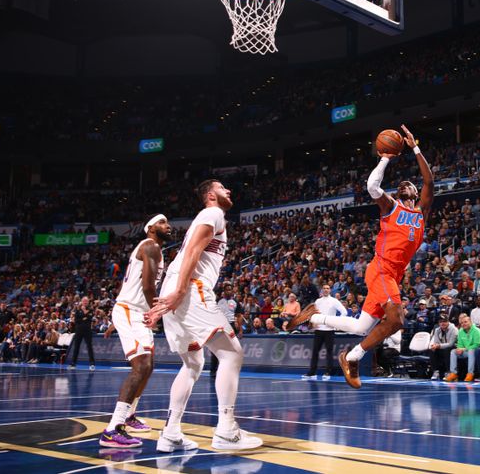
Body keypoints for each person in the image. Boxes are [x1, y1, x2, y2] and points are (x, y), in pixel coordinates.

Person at [287, 125, 433, 389]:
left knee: (360, 327)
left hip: (392, 276)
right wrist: (386, 157)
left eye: (409, 184)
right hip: (381, 270)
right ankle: (353, 356)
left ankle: (314, 318)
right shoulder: (391, 206)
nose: (405, 185)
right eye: (402, 185)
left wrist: (415, 148)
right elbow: (372, 186)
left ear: (414, 192)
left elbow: (429, 181)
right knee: (397, 319)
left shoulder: (421, 212)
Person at [144, 179, 262, 451]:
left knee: (193, 364)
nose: (229, 190)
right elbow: (194, 252)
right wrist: (181, 291)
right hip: (190, 288)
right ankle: (226, 431)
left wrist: (173, 293)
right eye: (222, 188)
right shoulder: (213, 213)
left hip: (178, 288)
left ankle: (170, 433)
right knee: (232, 353)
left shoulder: (209, 216)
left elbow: (191, 252)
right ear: (211, 195)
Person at [99, 214, 171, 448]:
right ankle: (113, 429)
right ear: (150, 229)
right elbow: (148, 287)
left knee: (147, 368)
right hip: (133, 311)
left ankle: (128, 415)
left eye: (167, 222)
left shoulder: (153, 248)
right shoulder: (150, 246)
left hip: (134, 311)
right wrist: (160, 312)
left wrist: (119, 316)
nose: (167, 226)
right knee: (141, 367)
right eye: (161, 222)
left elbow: (131, 284)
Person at [303, 284, 346, 380]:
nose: (326, 290)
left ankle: (328, 372)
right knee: (315, 352)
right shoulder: (318, 301)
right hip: (318, 330)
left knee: (329, 352)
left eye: (327, 288)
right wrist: (313, 322)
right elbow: (314, 313)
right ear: (322, 290)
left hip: (329, 330)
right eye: (324, 288)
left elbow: (344, 312)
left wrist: (337, 322)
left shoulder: (334, 301)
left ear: (330, 290)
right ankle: (312, 372)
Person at [444, 314, 480, 382]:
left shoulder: (477, 330)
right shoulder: (461, 331)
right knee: (453, 351)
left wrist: (464, 349)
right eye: (461, 323)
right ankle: (453, 373)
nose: (463, 324)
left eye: (465, 322)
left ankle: (470, 373)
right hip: (465, 351)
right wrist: (459, 349)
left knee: (471, 351)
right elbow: (460, 344)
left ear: (470, 322)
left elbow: (477, 345)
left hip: (476, 352)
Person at [68, 297, 95, 370]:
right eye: (84, 301)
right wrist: (84, 316)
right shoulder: (78, 310)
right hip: (78, 331)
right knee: (76, 347)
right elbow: (76, 320)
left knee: (89, 347)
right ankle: (73, 363)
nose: (85, 302)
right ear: (82, 302)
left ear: (88, 302)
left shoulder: (91, 309)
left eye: (86, 301)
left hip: (87, 331)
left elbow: (89, 318)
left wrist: (84, 313)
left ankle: (92, 364)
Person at [428, 314, 457, 380]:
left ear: (448, 322)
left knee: (447, 350)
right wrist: (434, 346)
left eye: (444, 321)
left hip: (453, 348)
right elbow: (436, 342)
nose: (442, 323)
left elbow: (451, 344)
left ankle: (448, 372)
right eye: (441, 322)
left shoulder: (453, 329)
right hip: (442, 347)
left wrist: (439, 346)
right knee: (432, 350)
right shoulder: (437, 330)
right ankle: (436, 371)